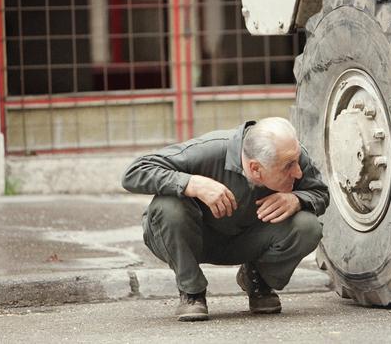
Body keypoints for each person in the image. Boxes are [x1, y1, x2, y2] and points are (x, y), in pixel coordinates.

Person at [122, 117, 329, 321]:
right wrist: (191, 183)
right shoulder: (208, 151)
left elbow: (320, 193)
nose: (298, 171)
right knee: (167, 207)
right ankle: (191, 292)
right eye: (288, 166)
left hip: (250, 240)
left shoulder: (289, 152)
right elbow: (134, 172)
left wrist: (297, 199)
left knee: (307, 226)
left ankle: (257, 280)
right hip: (195, 237)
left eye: (296, 161)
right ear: (256, 168)